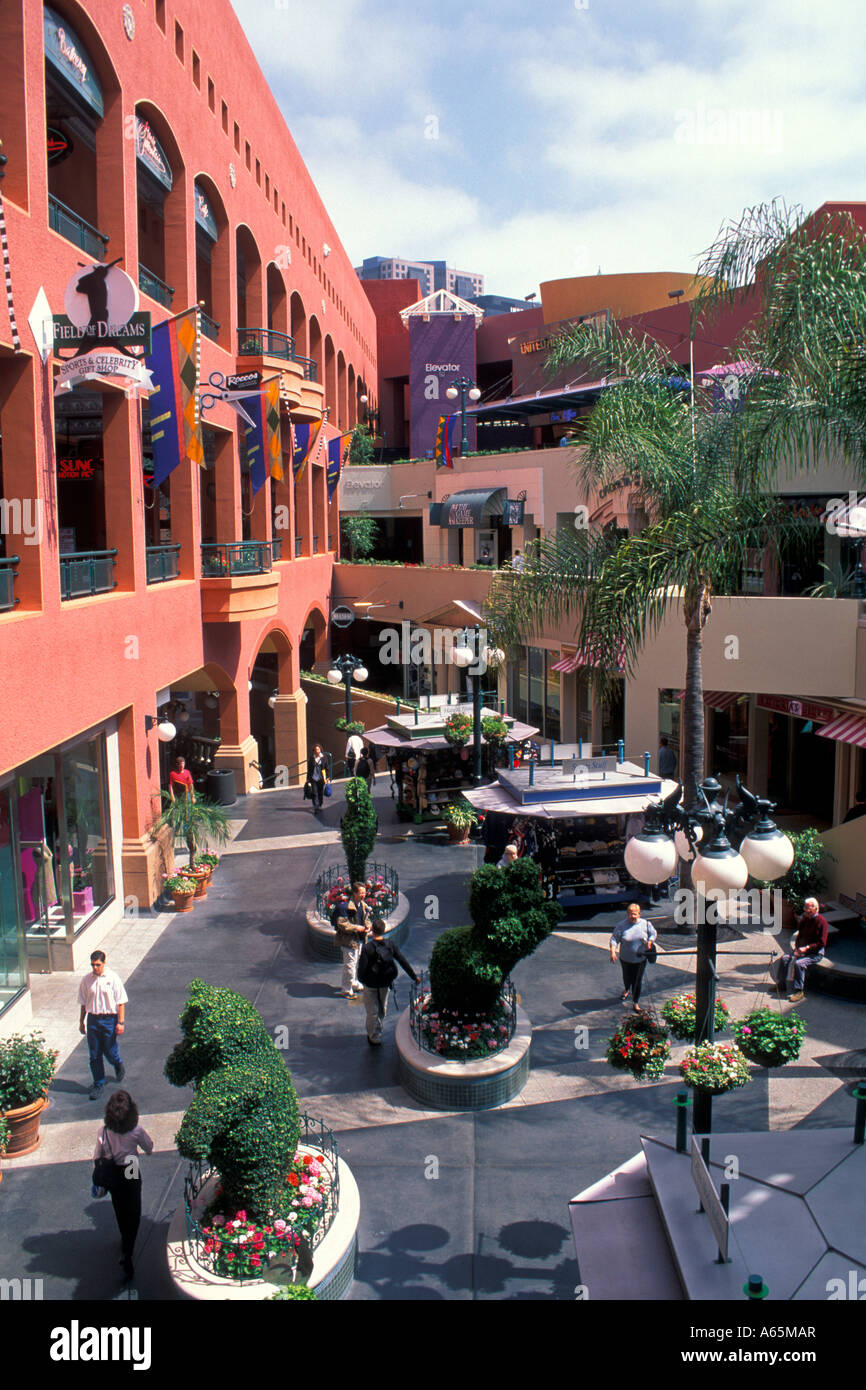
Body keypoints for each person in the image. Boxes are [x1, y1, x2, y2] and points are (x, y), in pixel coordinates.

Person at [93, 1089, 153, 1283]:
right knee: (134, 1208)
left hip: (113, 1172)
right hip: (130, 1166)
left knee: (119, 1206)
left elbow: (97, 1156)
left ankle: (124, 1239)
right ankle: (128, 1248)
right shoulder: (135, 1130)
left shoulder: (104, 1131)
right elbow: (149, 1146)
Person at [357, 917, 419, 1046]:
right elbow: (402, 961)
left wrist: (363, 981)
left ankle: (374, 1036)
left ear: (372, 930)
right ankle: (377, 1030)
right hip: (385, 983)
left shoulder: (367, 948)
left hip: (371, 984)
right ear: (384, 930)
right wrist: (414, 976)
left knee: (372, 1011)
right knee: (381, 1009)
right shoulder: (390, 945)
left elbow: (361, 969)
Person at [78, 951, 128, 1101]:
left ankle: (117, 1063)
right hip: (93, 1019)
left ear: (104, 963)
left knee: (109, 1050)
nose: (95, 968)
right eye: (93, 965)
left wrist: (120, 1022)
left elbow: (121, 1002)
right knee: (94, 1054)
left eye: (98, 965)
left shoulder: (112, 978)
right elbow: (83, 1003)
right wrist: (81, 1021)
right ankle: (98, 1083)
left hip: (109, 1019)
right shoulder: (86, 980)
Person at [771, 897, 829, 1003]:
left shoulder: (822, 922)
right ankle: (781, 984)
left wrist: (807, 948)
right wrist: (797, 949)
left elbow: (822, 943)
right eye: (805, 909)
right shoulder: (804, 919)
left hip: (815, 953)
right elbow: (800, 936)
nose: (806, 912)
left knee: (799, 964)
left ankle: (799, 990)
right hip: (801, 950)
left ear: (816, 909)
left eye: (809, 910)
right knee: (784, 958)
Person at [609, 902, 658, 1011]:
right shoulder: (621, 925)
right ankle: (626, 989)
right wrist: (613, 952)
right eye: (630, 914)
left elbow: (653, 934)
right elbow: (614, 939)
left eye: (635, 914)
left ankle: (635, 1003)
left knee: (637, 981)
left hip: (640, 959)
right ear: (627, 914)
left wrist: (650, 942)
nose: (633, 916)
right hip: (625, 959)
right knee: (627, 978)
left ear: (639, 914)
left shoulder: (646, 924)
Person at [332, 906, 367, 998]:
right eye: (361, 892)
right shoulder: (345, 907)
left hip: (359, 939)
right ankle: (346, 990)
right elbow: (342, 924)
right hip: (349, 941)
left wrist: (368, 926)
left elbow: (365, 918)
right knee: (349, 965)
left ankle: (354, 983)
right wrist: (357, 928)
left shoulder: (362, 905)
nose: (364, 894)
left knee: (355, 963)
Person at [307, 743, 330, 810]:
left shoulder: (324, 757)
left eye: (318, 749)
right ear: (314, 751)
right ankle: (316, 806)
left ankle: (320, 804)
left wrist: (328, 777)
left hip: (321, 778)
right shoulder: (312, 758)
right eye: (315, 749)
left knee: (320, 792)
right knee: (314, 792)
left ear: (320, 750)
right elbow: (309, 769)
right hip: (313, 777)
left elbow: (327, 768)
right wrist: (308, 779)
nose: (317, 751)